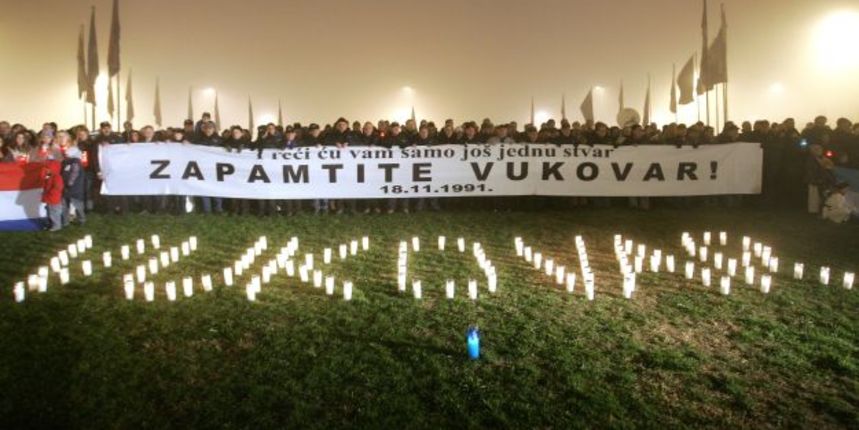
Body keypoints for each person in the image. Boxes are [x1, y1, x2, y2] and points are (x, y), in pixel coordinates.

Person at [192, 121, 224, 214]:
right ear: (204, 129)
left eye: (210, 128)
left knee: (217, 189)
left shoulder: (220, 140)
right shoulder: (199, 140)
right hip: (203, 168)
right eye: (206, 128)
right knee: (204, 188)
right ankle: (207, 209)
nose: (208, 130)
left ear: (214, 129)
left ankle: (218, 209)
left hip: (216, 168)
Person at [61, 145, 86, 226]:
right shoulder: (66, 161)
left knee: (77, 204)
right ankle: (66, 221)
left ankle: (81, 219)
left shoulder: (75, 162)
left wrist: (70, 183)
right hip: (66, 187)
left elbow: (75, 173)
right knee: (64, 204)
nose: (66, 153)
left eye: (68, 152)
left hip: (74, 188)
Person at [42, 159, 64, 232]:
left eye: (48, 168)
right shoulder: (49, 176)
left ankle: (57, 226)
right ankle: (50, 224)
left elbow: (57, 187)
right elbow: (46, 184)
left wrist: (50, 193)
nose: (46, 170)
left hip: (54, 198)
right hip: (50, 198)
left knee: (54, 213)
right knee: (49, 212)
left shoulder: (57, 177)